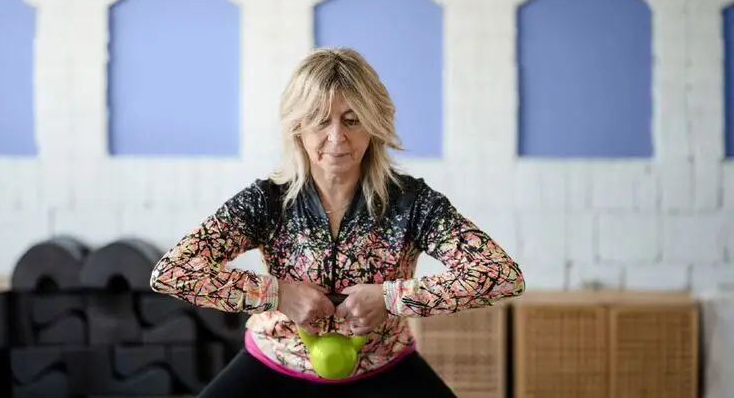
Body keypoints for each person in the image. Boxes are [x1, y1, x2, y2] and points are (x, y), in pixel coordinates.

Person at [149, 47, 526, 398]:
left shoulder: (412, 202)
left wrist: (392, 299)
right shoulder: (268, 200)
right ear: (298, 126)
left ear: (374, 124)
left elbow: (501, 274)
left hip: (384, 365)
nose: (336, 138)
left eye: (352, 120)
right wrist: (277, 294)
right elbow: (172, 271)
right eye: (319, 120)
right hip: (275, 362)